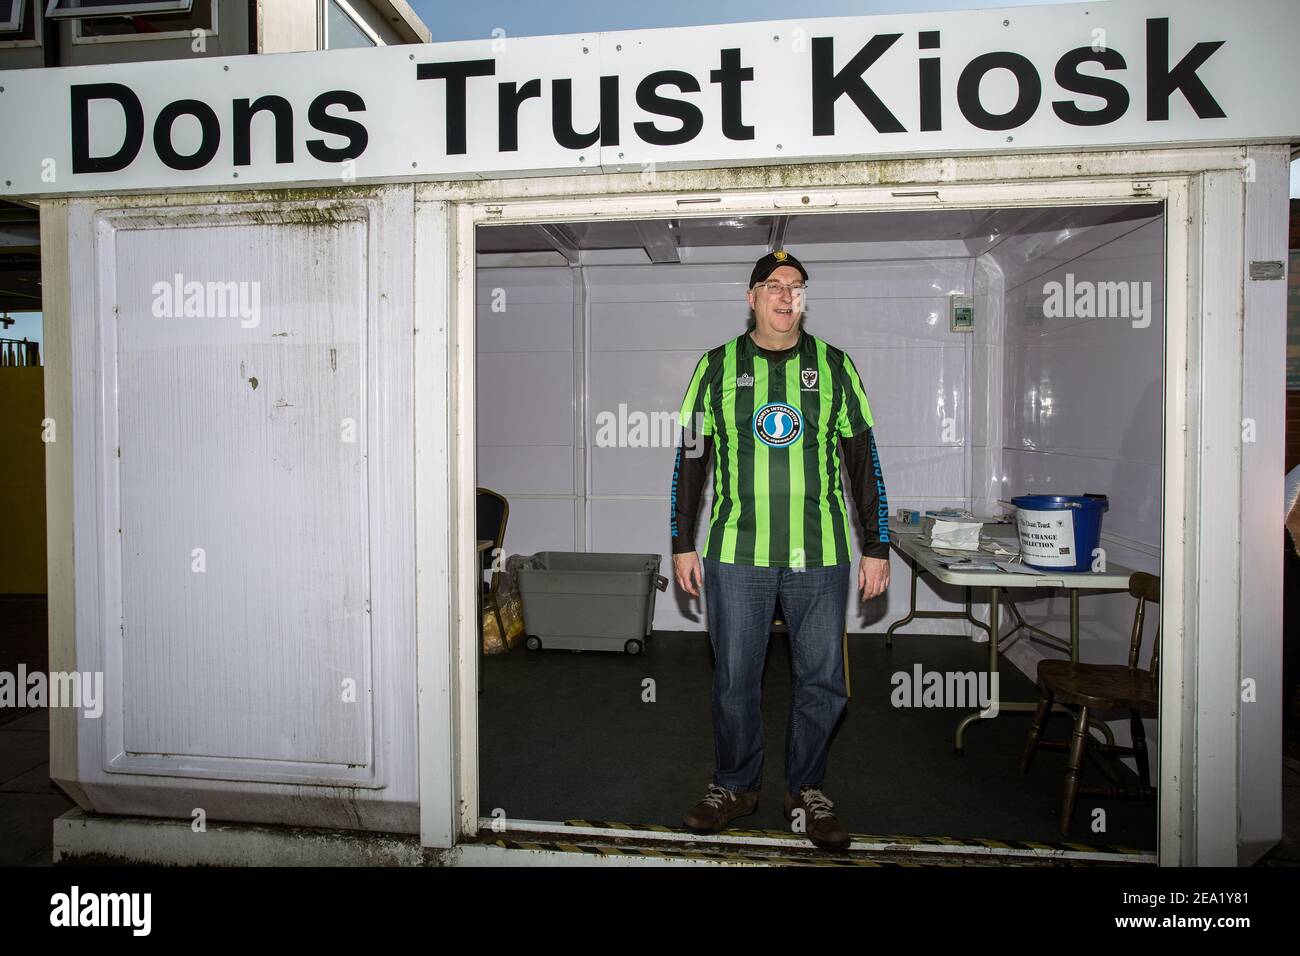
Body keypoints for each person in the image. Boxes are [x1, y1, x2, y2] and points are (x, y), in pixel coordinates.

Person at [669, 249, 891, 850]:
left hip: (818, 555)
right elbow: (692, 458)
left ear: (804, 298)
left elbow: (862, 462)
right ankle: (735, 785)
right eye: (773, 285)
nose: (785, 295)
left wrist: (877, 544)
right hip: (735, 552)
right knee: (735, 678)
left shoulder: (835, 366)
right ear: (751, 298)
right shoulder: (715, 367)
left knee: (822, 680)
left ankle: (807, 790)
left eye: (796, 286)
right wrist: (680, 542)